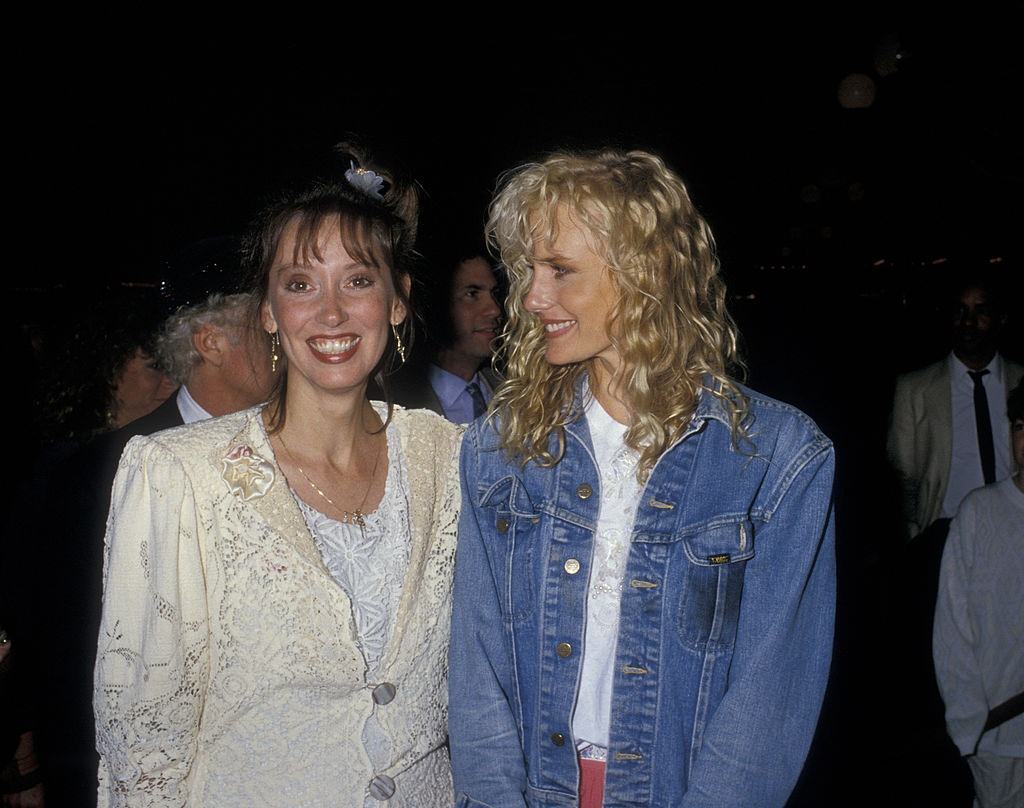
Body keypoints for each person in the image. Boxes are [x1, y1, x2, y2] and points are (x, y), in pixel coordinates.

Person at [449, 149, 836, 807]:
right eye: (528, 272)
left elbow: (766, 707)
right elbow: (478, 674)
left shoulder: (777, 457)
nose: (533, 299)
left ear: (642, 274)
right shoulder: (499, 448)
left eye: (560, 271)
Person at [93, 145, 461, 807]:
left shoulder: (451, 458)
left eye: (358, 280)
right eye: (299, 284)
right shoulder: (180, 476)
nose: (330, 312)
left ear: (398, 301)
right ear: (266, 311)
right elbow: (146, 745)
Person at [933, 382, 1023, 808]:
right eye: (1022, 426)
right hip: (997, 736)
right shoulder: (978, 513)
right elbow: (951, 630)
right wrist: (971, 722)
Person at [888, 276, 1023, 543]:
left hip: (1014, 532)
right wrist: (914, 536)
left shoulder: (1020, 381)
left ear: (1001, 318)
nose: (968, 322)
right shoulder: (914, 389)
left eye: (981, 311)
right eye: (960, 310)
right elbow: (901, 476)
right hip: (944, 536)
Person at [387, 237, 502, 422]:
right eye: (472, 294)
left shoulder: (515, 392)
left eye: (494, 294)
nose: (494, 310)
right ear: (438, 305)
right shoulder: (397, 406)